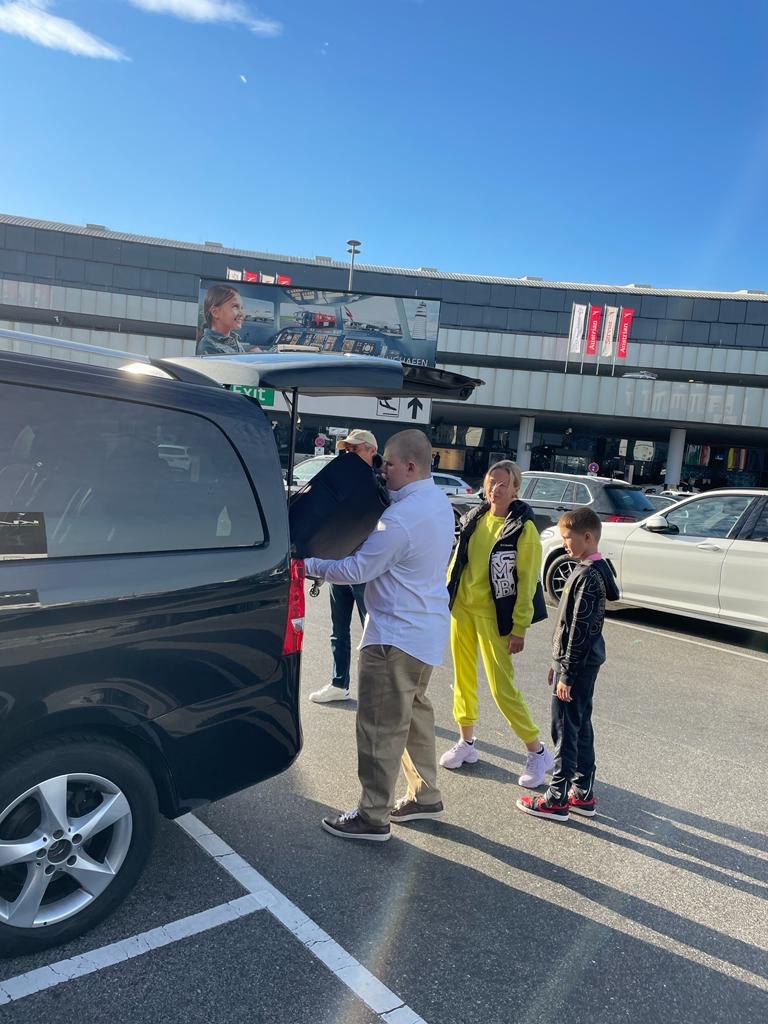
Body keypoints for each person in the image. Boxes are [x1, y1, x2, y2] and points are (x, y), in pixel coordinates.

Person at [304, 429, 454, 842]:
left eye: (389, 463)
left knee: (379, 726)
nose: (382, 470)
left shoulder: (401, 519)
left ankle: (372, 815)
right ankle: (425, 795)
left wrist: (306, 564)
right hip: (424, 632)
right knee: (414, 718)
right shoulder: (438, 502)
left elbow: (357, 570)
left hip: (394, 636)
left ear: (411, 466)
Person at [442, 460, 553, 788]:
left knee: (501, 687)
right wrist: (444, 597)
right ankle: (466, 742)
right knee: (462, 680)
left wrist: (520, 627)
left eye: (504, 484)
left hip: (496, 617)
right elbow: (457, 562)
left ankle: (537, 751)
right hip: (462, 609)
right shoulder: (475, 517)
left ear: (516, 489)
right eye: (492, 482)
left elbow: (527, 582)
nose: (495, 489)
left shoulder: (523, 529)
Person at [517, 507, 619, 822]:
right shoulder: (592, 568)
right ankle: (583, 792)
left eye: (567, 538)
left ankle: (557, 797)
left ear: (587, 537)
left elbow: (579, 630)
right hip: (578, 663)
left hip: (577, 666)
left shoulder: (588, 576)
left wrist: (567, 674)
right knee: (580, 724)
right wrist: (556, 662)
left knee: (564, 728)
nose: (564, 544)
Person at [309, 429, 379, 704]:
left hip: (365, 568)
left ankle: (374, 691)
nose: (348, 454)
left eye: (355, 449)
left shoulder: (380, 482)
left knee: (371, 633)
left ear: (371, 451)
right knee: (338, 629)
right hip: (339, 563)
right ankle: (339, 683)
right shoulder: (340, 480)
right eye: (347, 450)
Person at [196, 285, 246, 355]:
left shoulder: (234, 341)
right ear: (215, 312)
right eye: (235, 307)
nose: (242, 314)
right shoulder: (208, 346)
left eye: (242, 308)